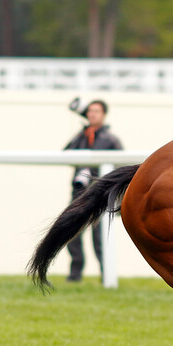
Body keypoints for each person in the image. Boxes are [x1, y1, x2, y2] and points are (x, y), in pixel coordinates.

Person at [64, 100, 123, 282]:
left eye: (96, 111)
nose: (92, 114)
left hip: (99, 193)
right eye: (89, 111)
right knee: (71, 232)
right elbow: (65, 153)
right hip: (79, 191)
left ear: (104, 114)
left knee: (99, 236)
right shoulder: (82, 135)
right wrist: (82, 133)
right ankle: (75, 274)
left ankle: (107, 275)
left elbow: (121, 164)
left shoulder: (110, 139)